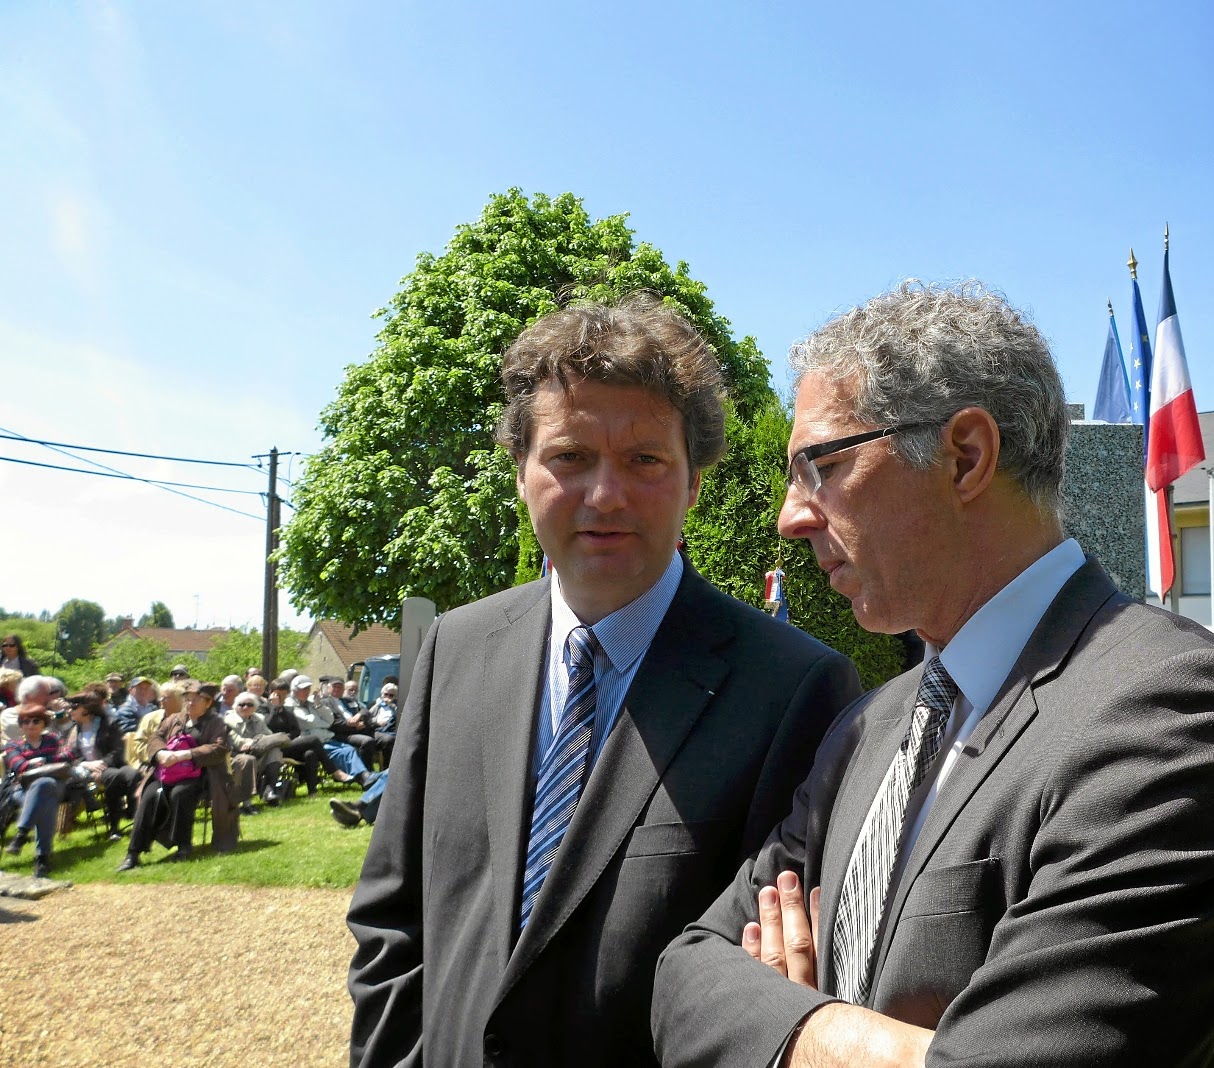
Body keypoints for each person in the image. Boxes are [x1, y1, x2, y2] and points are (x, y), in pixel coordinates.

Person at [651, 282, 1214, 1067]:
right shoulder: (868, 728)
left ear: (965, 456)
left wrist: (786, 1026)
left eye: (819, 466)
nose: (791, 516)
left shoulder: (1183, 722)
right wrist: (874, 1046)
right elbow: (684, 974)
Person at [347, 294, 863, 1068]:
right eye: (570, 457)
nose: (605, 495)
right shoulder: (455, 649)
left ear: (694, 483)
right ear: (520, 471)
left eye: (645, 461)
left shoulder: (797, 692)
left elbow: (771, 985)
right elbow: (393, 921)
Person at [117, 680, 239, 869]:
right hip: (168, 773)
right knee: (149, 796)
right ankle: (133, 853)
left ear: (208, 703)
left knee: (180, 794)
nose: (190, 703)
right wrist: (161, 753)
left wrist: (186, 754)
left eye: (196, 700)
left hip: (201, 775)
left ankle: (183, 845)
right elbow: (155, 737)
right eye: (188, 699)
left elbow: (219, 747)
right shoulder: (175, 719)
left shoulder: (216, 722)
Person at [2, 678, 73, 876]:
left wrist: (38, 759)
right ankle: (42, 860)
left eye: (36, 721)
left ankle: (22, 834)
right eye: (25, 721)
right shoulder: (14, 745)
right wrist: (48, 761)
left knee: (44, 785)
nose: (30, 725)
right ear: (21, 725)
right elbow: (20, 766)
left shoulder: (54, 738)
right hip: (23, 789)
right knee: (44, 793)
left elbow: (69, 755)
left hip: (56, 786)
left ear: (44, 723)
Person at [60, 692, 138, 838]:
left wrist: (103, 763)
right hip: (86, 770)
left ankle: (135, 816)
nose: (69, 711)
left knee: (133, 775)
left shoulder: (109, 723)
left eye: (73, 708)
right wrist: (87, 764)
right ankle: (114, 827)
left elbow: (118, 749)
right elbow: (70, 755)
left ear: (86, 709)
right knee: (113, 777)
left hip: (112, 764)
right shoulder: (74, 729)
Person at [287, 675, 372, 787]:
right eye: (303, 689)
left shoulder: (312, 703)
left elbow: (329, 720)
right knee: (345, 751)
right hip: (310, 742)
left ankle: (364, 777)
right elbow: (307, 722)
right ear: (294, 690)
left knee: (349, 750)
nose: (306, 692)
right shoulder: (290, 704)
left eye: (308, 688)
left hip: (325, 738)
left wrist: (318, 706)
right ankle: (364, 779)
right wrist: (321, 722)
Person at [225, 692, 289, 807]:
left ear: (254, 707)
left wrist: (255, 741)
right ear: (236, 706)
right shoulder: (229, 720)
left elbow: (269, 736)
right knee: (249, 759)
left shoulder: (258, 719)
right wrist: (258, 740)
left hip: (258, 752)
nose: (245, 707)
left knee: (274, 751)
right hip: (237, 756)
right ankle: (247, 802)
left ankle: (269, 790)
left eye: (249, 705)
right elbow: (237, 742)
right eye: (242, 704)